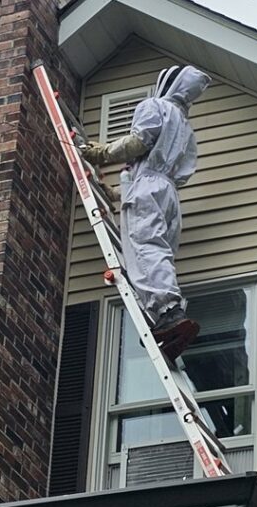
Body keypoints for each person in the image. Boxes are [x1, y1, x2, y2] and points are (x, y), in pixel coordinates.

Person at [82, 64, 210, 354]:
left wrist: (103, 153)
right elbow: (169, 173)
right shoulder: (186, 129)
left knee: (145, 248)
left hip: (149, 188)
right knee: (158, 252)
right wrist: (117, 193)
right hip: (169, 197)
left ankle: (168, 311)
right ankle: (167, 321)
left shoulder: (155, 106)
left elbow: (139, 142)